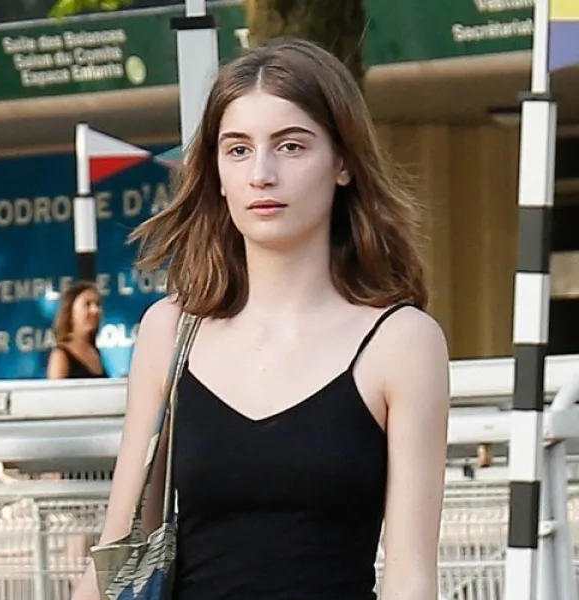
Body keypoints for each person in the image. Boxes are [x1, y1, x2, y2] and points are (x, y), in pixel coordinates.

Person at [71, 38, 450, 599]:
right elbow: (121, 551)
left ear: (343, 163)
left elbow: (410, 573)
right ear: (216, 171)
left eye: (292, 146)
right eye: (238, 149)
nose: (262, 174)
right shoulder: (170, 331)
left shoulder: (401, 341)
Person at [47, 281, 107, 379]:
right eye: (87, 304)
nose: (95, 310)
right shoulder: (60, 355)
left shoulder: (94, 351)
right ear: (71, 311)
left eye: (98, 304)